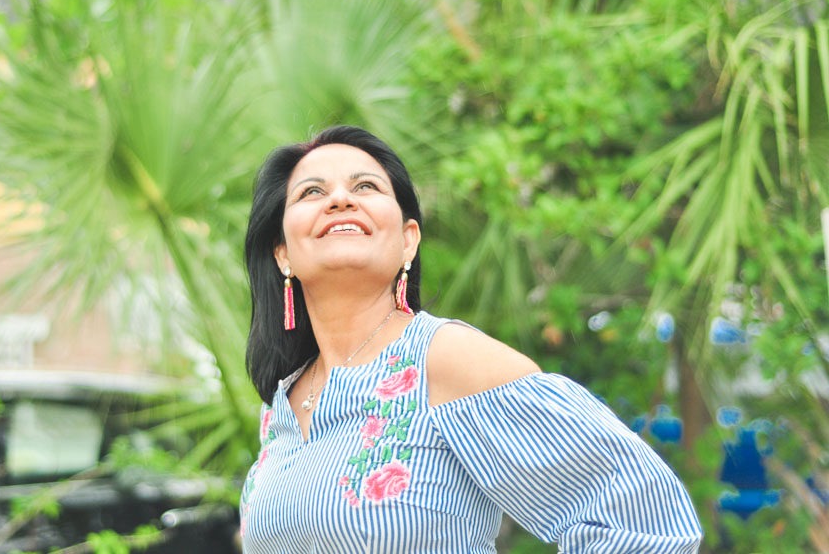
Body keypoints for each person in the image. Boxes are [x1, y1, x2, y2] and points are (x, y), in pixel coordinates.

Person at [239, 126, 703, 553]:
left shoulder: (444, 359)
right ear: (283, 255)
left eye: (366, 187)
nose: (339, 198)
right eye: (312, 191)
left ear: (408, 241)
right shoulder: (284, 400)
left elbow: (646, 521)